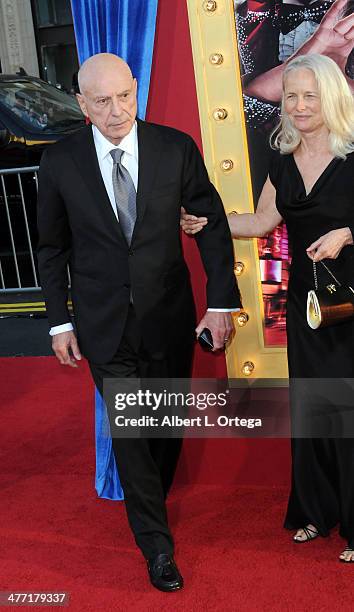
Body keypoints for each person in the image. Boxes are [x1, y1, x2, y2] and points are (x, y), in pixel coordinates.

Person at [37, 53, 241, 592]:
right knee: (130, 431)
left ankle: (149, 494)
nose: (115, 110)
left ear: (136, 90)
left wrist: (221, 303)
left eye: (123, 96)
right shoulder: (60, 162)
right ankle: (156, 547)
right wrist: (60, 322)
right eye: (100, 101)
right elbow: (51, 248)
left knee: (162, 427)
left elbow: (212, 224)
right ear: (82, 105)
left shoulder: (174, 148)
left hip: (167, 316)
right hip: (104, 325)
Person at [181, 53, 354, 562]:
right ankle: (318, 511)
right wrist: (206, 222)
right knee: (315, 406)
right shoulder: (281, 159)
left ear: (333, 97)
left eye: (310, 96)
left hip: (352, 301)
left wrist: (349, 233)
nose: (299, 106)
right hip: (309, 305)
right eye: (292, 96)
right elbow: (259, 222)